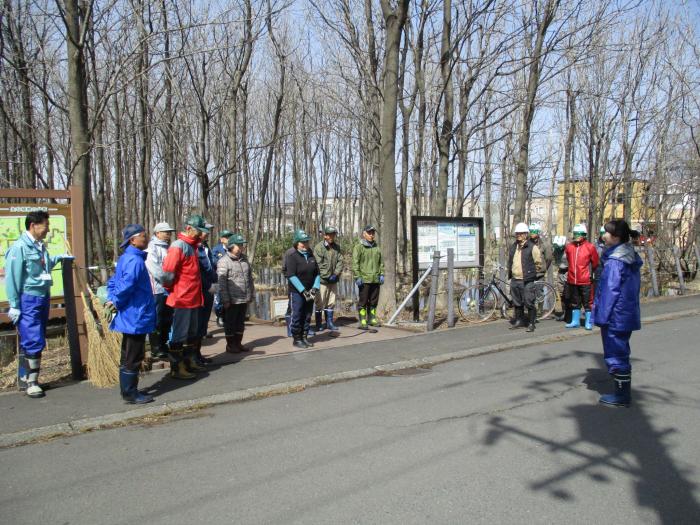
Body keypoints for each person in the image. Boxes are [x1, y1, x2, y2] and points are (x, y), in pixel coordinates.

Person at [4, 210, 72, 398]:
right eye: (45, 225)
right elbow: (12, 278)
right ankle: (31, 383)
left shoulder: (39, 246)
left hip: (42, 296)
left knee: (36, 336)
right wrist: (15, 304)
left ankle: (29, 378)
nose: (48, 229)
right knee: (33, 338)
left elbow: (45, 265)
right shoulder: (20, 248)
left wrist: (59, 258)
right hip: (28, 299)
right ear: (33, 225)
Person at [594, 219, 642, 407]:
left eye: (607, 233)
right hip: (626, 312)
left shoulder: (615, 261)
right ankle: (622, 393)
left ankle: (622, 396)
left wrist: (601, 317)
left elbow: (609, 291)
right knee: (621, 351)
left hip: (616, 315)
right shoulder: (629, 255)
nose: (604, 235)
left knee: (616, 354)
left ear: (616, 237)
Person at [107, 224, 157, 404]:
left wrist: (112, 298)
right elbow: (125, 285)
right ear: (133, 240)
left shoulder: (126, 258)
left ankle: (127, 390)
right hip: (136, 315)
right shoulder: (134, 261)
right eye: (143, 236)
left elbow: (113, 282)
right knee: (133, 355)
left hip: (131, 314)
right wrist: (116, 301)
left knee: (127, 353)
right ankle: (130, 393)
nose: (147, 238)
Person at [161, 215, 209, 379]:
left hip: (194, 298)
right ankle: (177, 367)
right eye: (198, 232)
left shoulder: (193, 247)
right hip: (182, 298)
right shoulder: (178, 246)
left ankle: (190, 361)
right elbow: (167, 273)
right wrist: (172, 290)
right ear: (188, 229)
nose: (200, 235)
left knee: (192, 332)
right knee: (179, 333)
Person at [217, 234, 255, 353]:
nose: (241, 247)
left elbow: (249, 278)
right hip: (232, 299)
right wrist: (225, 299)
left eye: (242, 245)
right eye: (238, 245)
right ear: (231, 246)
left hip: (244, 297)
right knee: (230, 322)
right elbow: (221, 283)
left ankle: (238, 343)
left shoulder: (244, 259)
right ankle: (230, 345)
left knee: (240, 322)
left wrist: (250, 294)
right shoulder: (224, 261)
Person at [145, 222, 176, 360]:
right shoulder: (151, 248)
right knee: (157, 318)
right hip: (157, 289)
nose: (168, 234)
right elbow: (154, 268)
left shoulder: (167, 247)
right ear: (157, 233)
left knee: (167, 317)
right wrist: (168, 279)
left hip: (168, 288)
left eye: (169, 232)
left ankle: (164, 344)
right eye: (165, 232)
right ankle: (156, 348)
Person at [285, 229, 320, 348]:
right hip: (297, 292)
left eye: (306, 242)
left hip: (310, 291)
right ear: (296, 243)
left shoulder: (311, 255)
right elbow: (291, 275)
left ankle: (304, 336)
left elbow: (317, 273)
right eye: (302, 242)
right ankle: (297, 338)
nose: (305, 244)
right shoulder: (292, 256)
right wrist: (303, 291)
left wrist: (315, 288)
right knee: (297, 314)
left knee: (308, 314)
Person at [507, 222, 544, 332]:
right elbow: (511, 261)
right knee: (517, 302)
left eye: (520, 233)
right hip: (515, 279)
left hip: (527, 279)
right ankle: (519, 320)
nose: (518, 235)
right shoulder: (514, 246)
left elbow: (538, 263)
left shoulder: (532, 247)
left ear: (525, 234)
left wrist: (530, 273)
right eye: (517, 233)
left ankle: (531, 323)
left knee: (529, 301)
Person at [564, 224, 599, 330]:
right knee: (574, 301)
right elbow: (568, 261)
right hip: (572, 279)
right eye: (576, 234)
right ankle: (575, 321)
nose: (577, 236)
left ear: (584, 235)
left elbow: (595, 262)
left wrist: (590, 274)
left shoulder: (590, 247)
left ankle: (588, 321)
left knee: (587, 301)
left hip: (585, 280)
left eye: (580, 234)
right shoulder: (570, 247)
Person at [312, 226, 343, 333]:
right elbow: (318, 264)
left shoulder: (337, 247)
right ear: (325, 235)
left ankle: (329, 323)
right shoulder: (318, 248)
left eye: (333, 234)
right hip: (322, 280)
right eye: (329, 234)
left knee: (331, 302)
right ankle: (319, 323)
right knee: (320, 302)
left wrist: (335, 273)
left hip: (333, 280)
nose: (331, 236)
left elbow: (340, 261)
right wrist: (326, 275)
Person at [352, 225, 384, 329]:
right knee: (363, 301)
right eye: (369, 233)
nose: (371, 235)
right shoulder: (359, 247)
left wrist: (382, 274)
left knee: (374, 301)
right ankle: (363, 320)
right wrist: (357, 276)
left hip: (375, 279)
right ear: (364, 234)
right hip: (364, 280)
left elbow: (381, 263)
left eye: (373, 233)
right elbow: (355, 263)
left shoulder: (377, 247)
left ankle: (372, 319)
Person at [195, 226, 217, 364]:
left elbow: (210, 266)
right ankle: (193, 356)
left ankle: (198, 355)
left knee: (203, 324)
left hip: (209, 287)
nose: (207, 233)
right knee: (197, 325)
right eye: (204, 231)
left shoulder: (205, 246)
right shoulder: (194, 248)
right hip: (200, 289)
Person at [211, 230, 234, 327]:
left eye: (230, 237)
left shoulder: (232, 249)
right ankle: (219, 316)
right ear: (222, 239)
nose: (229, 239)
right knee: (218, 299)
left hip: (230, 279)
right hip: (217, 279)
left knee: (228, 297)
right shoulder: (216, 249)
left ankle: (227, 316)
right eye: (227, 237)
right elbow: (214, 262)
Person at [281, 244, 297, 337]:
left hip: (306, 284)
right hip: (293, 285)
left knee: (304, 307)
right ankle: (290, 329)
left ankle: (304, 327)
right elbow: (284, 269)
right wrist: (291, 279)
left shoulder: (308, 251)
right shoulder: (290, 252)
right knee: (291, 306)